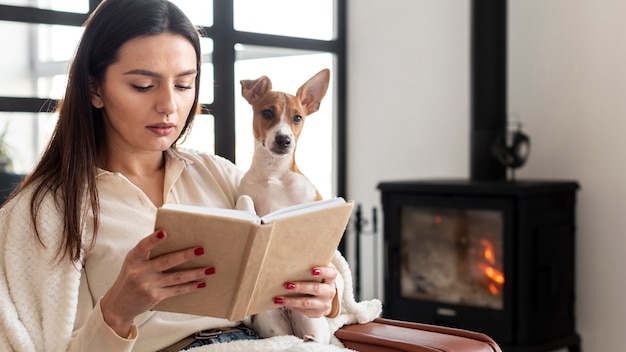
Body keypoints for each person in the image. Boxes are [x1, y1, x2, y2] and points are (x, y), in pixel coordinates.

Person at [0, 0, 381, 351]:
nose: (169, 105)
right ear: (94, 88)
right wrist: (117, 310)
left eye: (184, 84)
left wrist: (325, 296)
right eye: (143, 85)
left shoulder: (220, 176)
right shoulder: (46, 210)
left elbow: (322, 272)